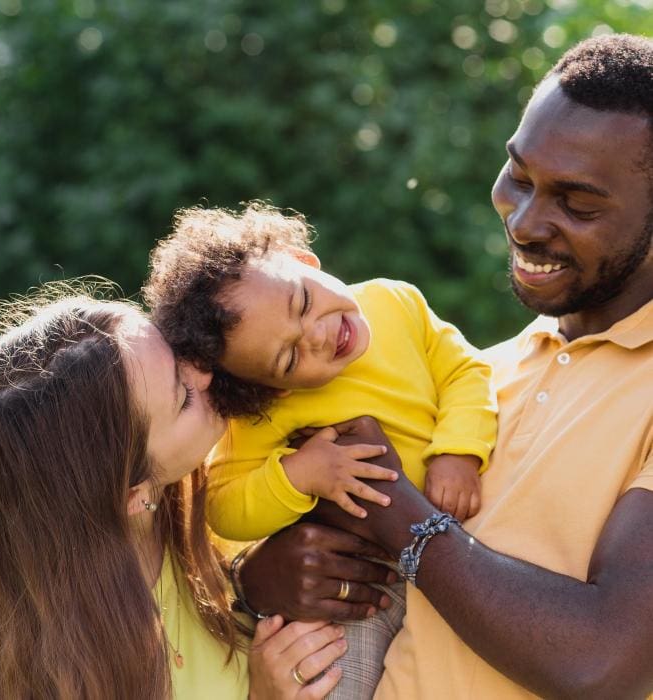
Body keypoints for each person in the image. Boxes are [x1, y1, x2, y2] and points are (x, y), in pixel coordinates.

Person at [229, 33, 653, 699]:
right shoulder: (481, 373)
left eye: (577, 203)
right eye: (519, 174)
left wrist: (397, 510)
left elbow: (603, 662)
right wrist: (264, 578)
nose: (526, 221)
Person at [143, 204, 497, 697]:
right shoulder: (266, 414)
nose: (318, 335)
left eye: (303, 301)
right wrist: (296, 476)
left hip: (464, 546)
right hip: (360, 584)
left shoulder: (397, 303)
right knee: (327, 683)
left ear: (303, 262)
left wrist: (458, 452)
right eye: (289, 357)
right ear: (274, 388)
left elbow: (466, 372)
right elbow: (225, 506)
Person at [0, 282, 351, 699]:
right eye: (182, 398)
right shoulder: (53, 681)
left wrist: (249, 579)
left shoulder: (208, 477)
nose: (206, 371)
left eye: (177, 352)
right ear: (132, 496)